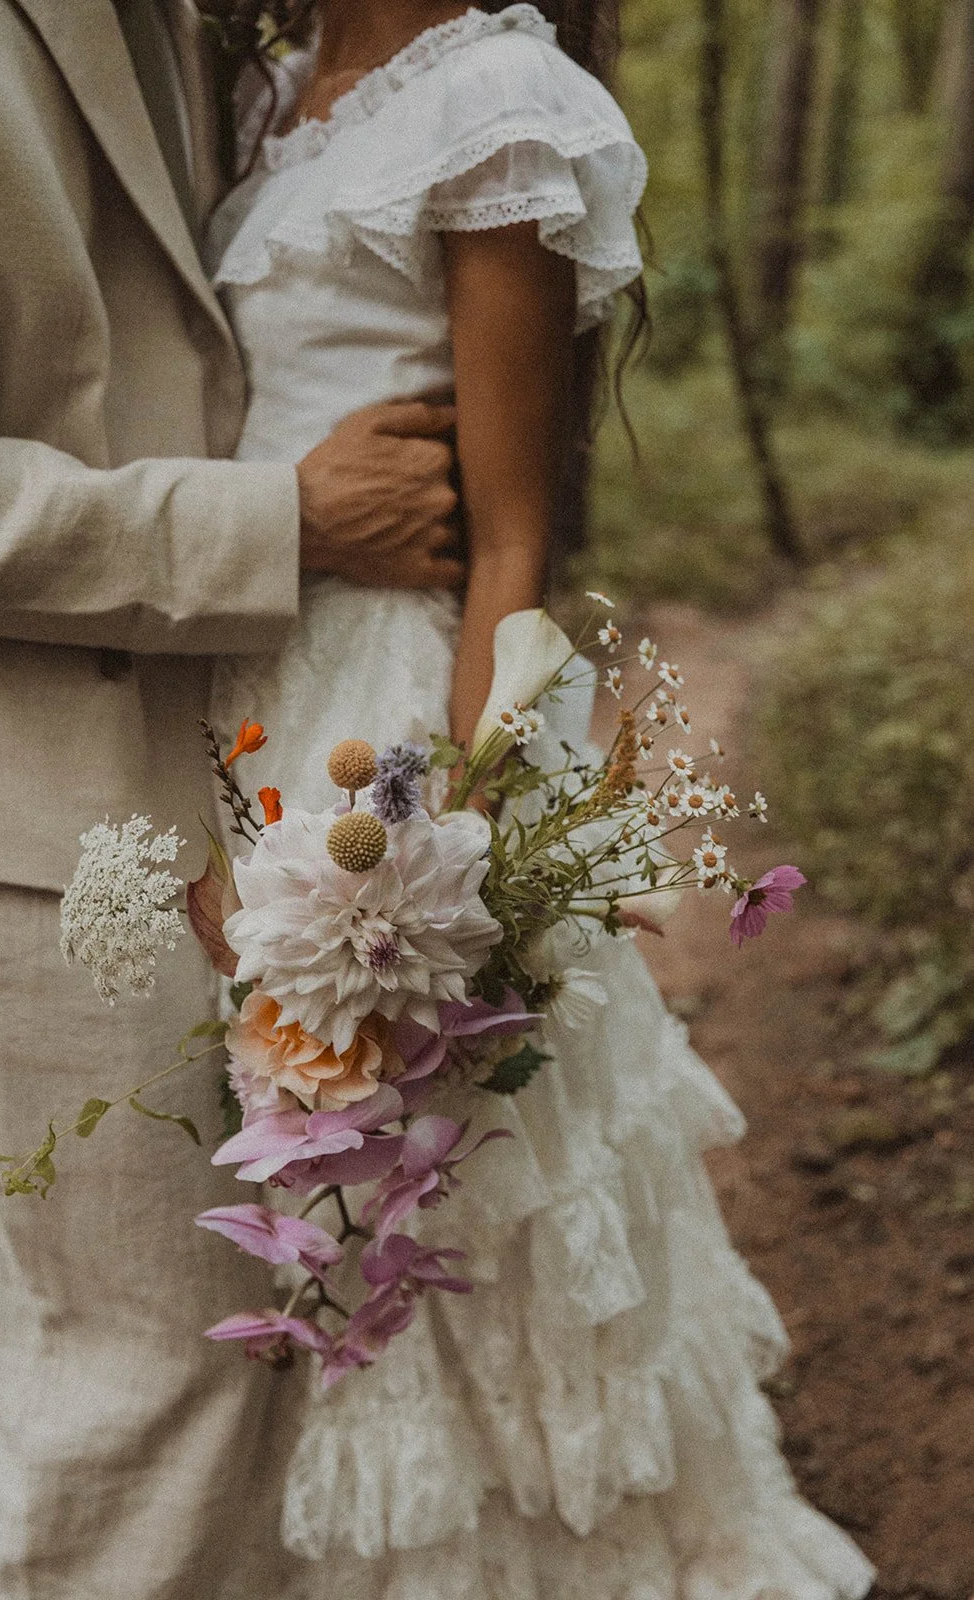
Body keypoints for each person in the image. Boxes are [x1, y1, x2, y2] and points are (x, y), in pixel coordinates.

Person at [202, 3, 879, 1596]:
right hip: (239, 690)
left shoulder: (501, 99)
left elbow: (512, 542)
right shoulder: (271, 87)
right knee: (282, 1204)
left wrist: (450, 859)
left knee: (452, 1199)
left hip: (387, 723)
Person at [0, 3, 463, 1595]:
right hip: (24, 830)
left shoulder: (208, 21)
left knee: (236, 1396)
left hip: (238, 802)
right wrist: (283, 524)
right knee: (115, 1423)